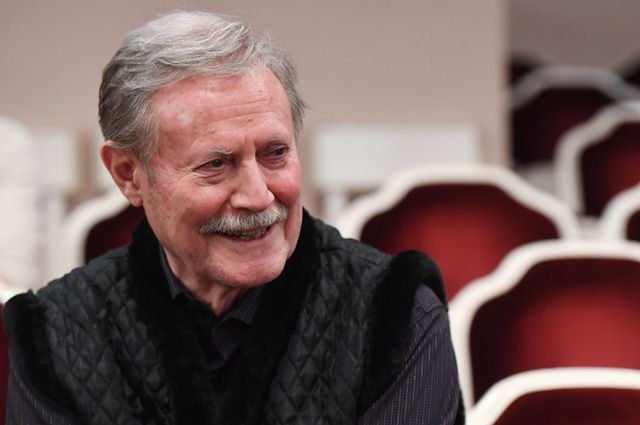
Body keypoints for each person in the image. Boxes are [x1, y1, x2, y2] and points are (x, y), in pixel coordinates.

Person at [3, 11, 463, 425]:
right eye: (216, 164)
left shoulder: (396, 317)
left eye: (275, 153)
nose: (259, 197)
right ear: (128, 174)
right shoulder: (53, 336)